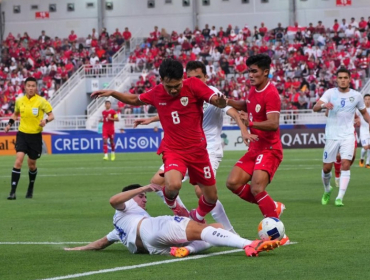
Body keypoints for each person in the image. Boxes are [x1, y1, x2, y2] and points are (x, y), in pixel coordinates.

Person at [91, 59, 227, 224]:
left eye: (177, 85)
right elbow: (134, 100)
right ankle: (172, 201)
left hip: (198, 151)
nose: (174, 90)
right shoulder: (157, 92)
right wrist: (113, 93)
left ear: (183, 78)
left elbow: (213, 98)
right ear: (161, 80)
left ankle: (195, 217)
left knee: (211, 198)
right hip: (174, 150)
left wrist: (218, 102)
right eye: (169, 87)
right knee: (173, 185)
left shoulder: (193, 85)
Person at [134, 61, 248, 232]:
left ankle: (229, 231)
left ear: (206, 77)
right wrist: (152, 119)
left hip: (208, 148)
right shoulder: (186, 90)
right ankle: (185, 216)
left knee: (200, 190)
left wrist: (244, 130)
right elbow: (176, 112)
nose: (195, 80)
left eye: (199, 77)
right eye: (192, 77)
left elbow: (232, 111)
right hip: (185, 146)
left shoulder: (213, 94)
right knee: (157, 182)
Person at [64, 184, 280, 258]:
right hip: (151, 229)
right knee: (199, 229)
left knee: (216, 228)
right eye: (141, 197)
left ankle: (189, 250)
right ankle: (248, 244)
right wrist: (142, 188)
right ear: (131, 197)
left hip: (153, 248)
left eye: (145, 197)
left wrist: (77, 249)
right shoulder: (126, 207)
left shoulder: (119, 226)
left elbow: (101, 243)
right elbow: (113, 200)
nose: (144, 199)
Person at [225, 54, 285, 219]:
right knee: (233, 183)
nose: (250, 75)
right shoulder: (254, 89)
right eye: (248, 71)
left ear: (265, 72)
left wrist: (250, 123)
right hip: (255, 148)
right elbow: (248, 104)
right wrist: (228, 102)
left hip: (269, 149)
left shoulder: (271, 93)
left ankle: (276, 230)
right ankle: (272, 207)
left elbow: (273, 123)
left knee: (256, 188)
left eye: (254, 71)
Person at [313, 68, 370, 207]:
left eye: (345, 78)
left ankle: (339, 197)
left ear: (349, 79)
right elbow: (315, 107)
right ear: (337, 79)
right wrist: (324, 105)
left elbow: (364, 112)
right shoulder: (330, 93)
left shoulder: (356, 95)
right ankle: (327, 189)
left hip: (348, 135)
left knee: (346, 164)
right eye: (340, 77)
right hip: (332, 135)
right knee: (326, 168)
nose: (342, 80)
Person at [4, 77, 54, 199]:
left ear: (36, 87)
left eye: (33, 86)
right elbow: (16, 113)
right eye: (29, 86)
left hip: (35, 136)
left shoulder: (42, 101)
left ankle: (30, 187)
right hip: (22, 134)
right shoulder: (19, 101)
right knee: (18, 160)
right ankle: (12, 192)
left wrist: (45, 121)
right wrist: (9, 124)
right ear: (25, 87)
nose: (31, 88)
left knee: (31, 165)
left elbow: (51, 115)